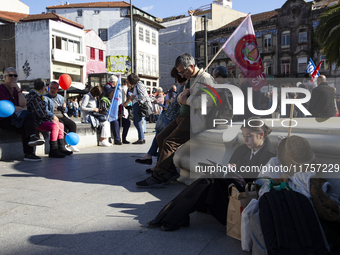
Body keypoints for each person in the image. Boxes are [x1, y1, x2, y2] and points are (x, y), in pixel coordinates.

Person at [146, 117, 276, 231]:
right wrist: (229, 169)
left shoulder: (269, 155)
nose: (245, 139)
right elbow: (234, 167)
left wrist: (239, 177)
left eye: (249, 135)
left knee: (207, 182)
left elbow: (261, 185)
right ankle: (173, 216)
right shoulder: (244, 148)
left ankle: (169, 215)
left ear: (261, 134)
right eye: (244, 135)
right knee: (208, 180)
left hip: (244, 198)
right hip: (231, 187)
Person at [136, 53, 217, 188]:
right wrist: (181, 97)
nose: (182, 76)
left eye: (183, 72)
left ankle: (159, 175)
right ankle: (170, 171)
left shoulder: (205, 79)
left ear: (191, 66)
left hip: (194, 119)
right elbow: (180, 98)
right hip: (182, 116)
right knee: (161, 137)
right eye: (180, 73)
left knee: (169, 142)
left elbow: (210, 101)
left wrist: (187, 100)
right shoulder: (191, 79)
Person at [135, 67, 187, 171]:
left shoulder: (186, 86)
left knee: (161, 138)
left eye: (177, 76)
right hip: (170, 116)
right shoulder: (183, 86)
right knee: (159, 137)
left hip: (173, 117)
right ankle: (153, 161)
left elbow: (180, 102)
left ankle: (153, 160)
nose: (177, 79)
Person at [0, 67, 45, 161]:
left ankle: (29, 153)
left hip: (15, 118)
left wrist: (19, 90)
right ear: (5, 77)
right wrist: (20, 108)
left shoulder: (16, 90)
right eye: (10, 75)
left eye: (15, 76)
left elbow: (24, 104)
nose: (13, 78)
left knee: (28, 122)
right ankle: (30, 148)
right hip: (4, 119)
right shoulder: (1, 89)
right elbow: (7, 108)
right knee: (28, 117)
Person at [26, 79, 71, 158]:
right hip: (37, 121)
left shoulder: (38, 96)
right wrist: (50, 118)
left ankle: (61, 147)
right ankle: (53, 150)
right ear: (43, 88)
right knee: (55, 126)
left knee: (60, 125)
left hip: (41, 119)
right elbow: (40, 113)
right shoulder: (35, 97)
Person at [44, 81, 79, 152]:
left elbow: (65, 111)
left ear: (57, 89)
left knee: (72, 125)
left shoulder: (60, 98)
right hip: (53, 116)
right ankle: (63, 145)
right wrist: (52, 115)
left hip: (61, 115)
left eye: (54, 88)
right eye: (51, 88)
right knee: (62, 126)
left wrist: (64, 108)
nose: (52, 90)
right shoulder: (45, 98)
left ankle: (71, 144)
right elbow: (45, 110)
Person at [125, 73, 152, 144]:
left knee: (137, 121)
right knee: (136, 122)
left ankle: (141, 138)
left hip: (139, 105)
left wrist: (134, 97)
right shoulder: (137, 85)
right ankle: (141, 137)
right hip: (137, 104)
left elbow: (143, 96)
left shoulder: (139, 85)